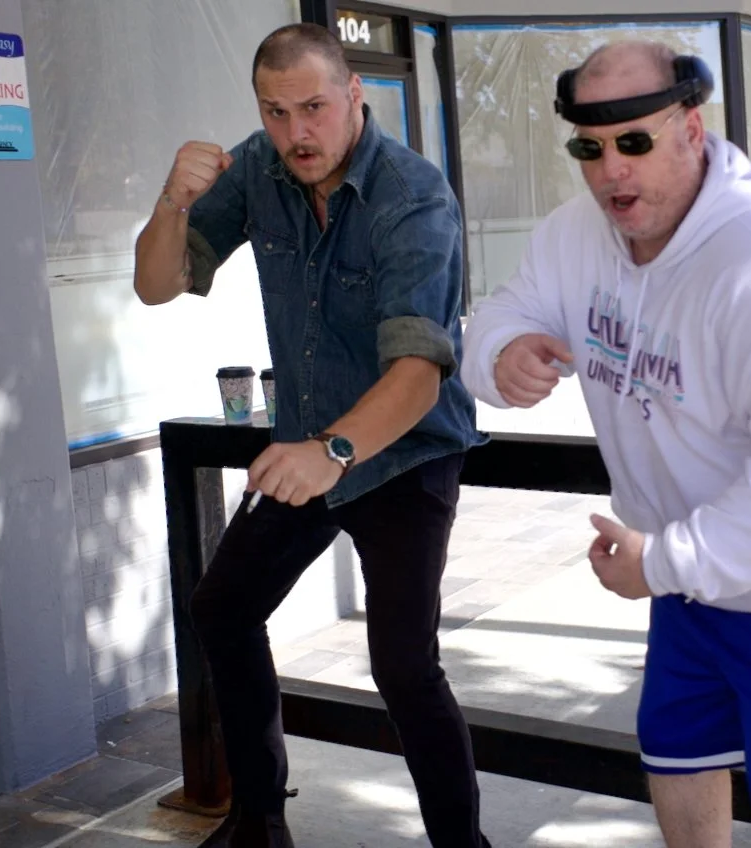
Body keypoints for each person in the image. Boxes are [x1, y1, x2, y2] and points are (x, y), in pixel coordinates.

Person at [461, 41, 751, 848]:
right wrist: (501, 354)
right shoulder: (575, 235)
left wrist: (665, 563)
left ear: (690, 128)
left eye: (633, 141)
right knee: (679, 752)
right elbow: (506, 310)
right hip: (694, 574)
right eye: (589, 149)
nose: (612, 170)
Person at [133, 22, 490, 848]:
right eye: (275, 111)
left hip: (402, 452)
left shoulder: (413, 196)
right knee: (224, 607)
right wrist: (172, 202)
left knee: (403, 666)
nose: (296, 132)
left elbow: (418, 373)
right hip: (305, 449)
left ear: (354, 95)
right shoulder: (259, 167)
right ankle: (259, 822)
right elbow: (157, 284)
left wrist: (332, 452)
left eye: (314, 108)